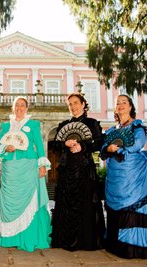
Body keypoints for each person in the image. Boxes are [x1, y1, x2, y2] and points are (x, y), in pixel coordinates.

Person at [100, 94, 147, 261]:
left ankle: (136, 246)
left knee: (134, 208)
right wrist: (108, 149)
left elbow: (137, 144)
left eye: (124, 102)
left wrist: (118, 149)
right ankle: (118, 244)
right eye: (118, 103)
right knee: (116, 209)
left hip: (134, 176)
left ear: (130, 106)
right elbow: (103, 149)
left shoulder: (137, 127)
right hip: (116, 176)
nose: (120, 105)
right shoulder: (112, 130)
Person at [0, 96, 51, 252]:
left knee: (30, 201)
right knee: (8, 201)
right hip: (10, 168)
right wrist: (6, 147)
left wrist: (42, 165)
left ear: (27, 108)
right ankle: (10, 237)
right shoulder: (6, 126)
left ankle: (29, 237)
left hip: (29, 167)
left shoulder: (33, 125)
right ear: (13, 108)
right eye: (16, 105)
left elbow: (39, 145)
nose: (19, 107)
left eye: (22, 105)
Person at [51, 93, 105, 251]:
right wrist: (64, 143)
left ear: (83, 104)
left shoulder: (92, 123)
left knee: (85, 201)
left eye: (75, 103)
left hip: (84, 169)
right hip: (67, 170)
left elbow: (99, 142)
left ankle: (85, 240)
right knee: (67, 203)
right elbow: (55, 145)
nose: (73, 106)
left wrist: (83, 146)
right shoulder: (64, 125)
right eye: (70, 104)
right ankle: (66, 240)